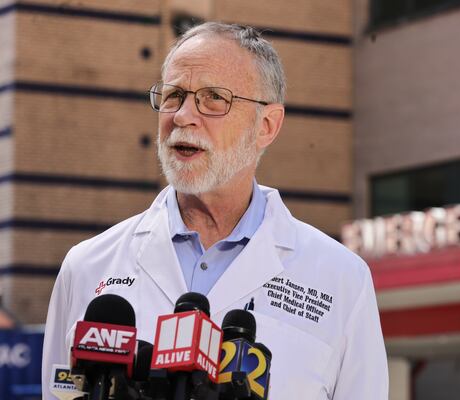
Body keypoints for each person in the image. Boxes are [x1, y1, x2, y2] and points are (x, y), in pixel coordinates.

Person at [42, 22, 388, 399]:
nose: (183, 116)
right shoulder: (87, 266)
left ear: (267, 125)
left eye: (212, 98)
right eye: (174, 95)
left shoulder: (341, 280)